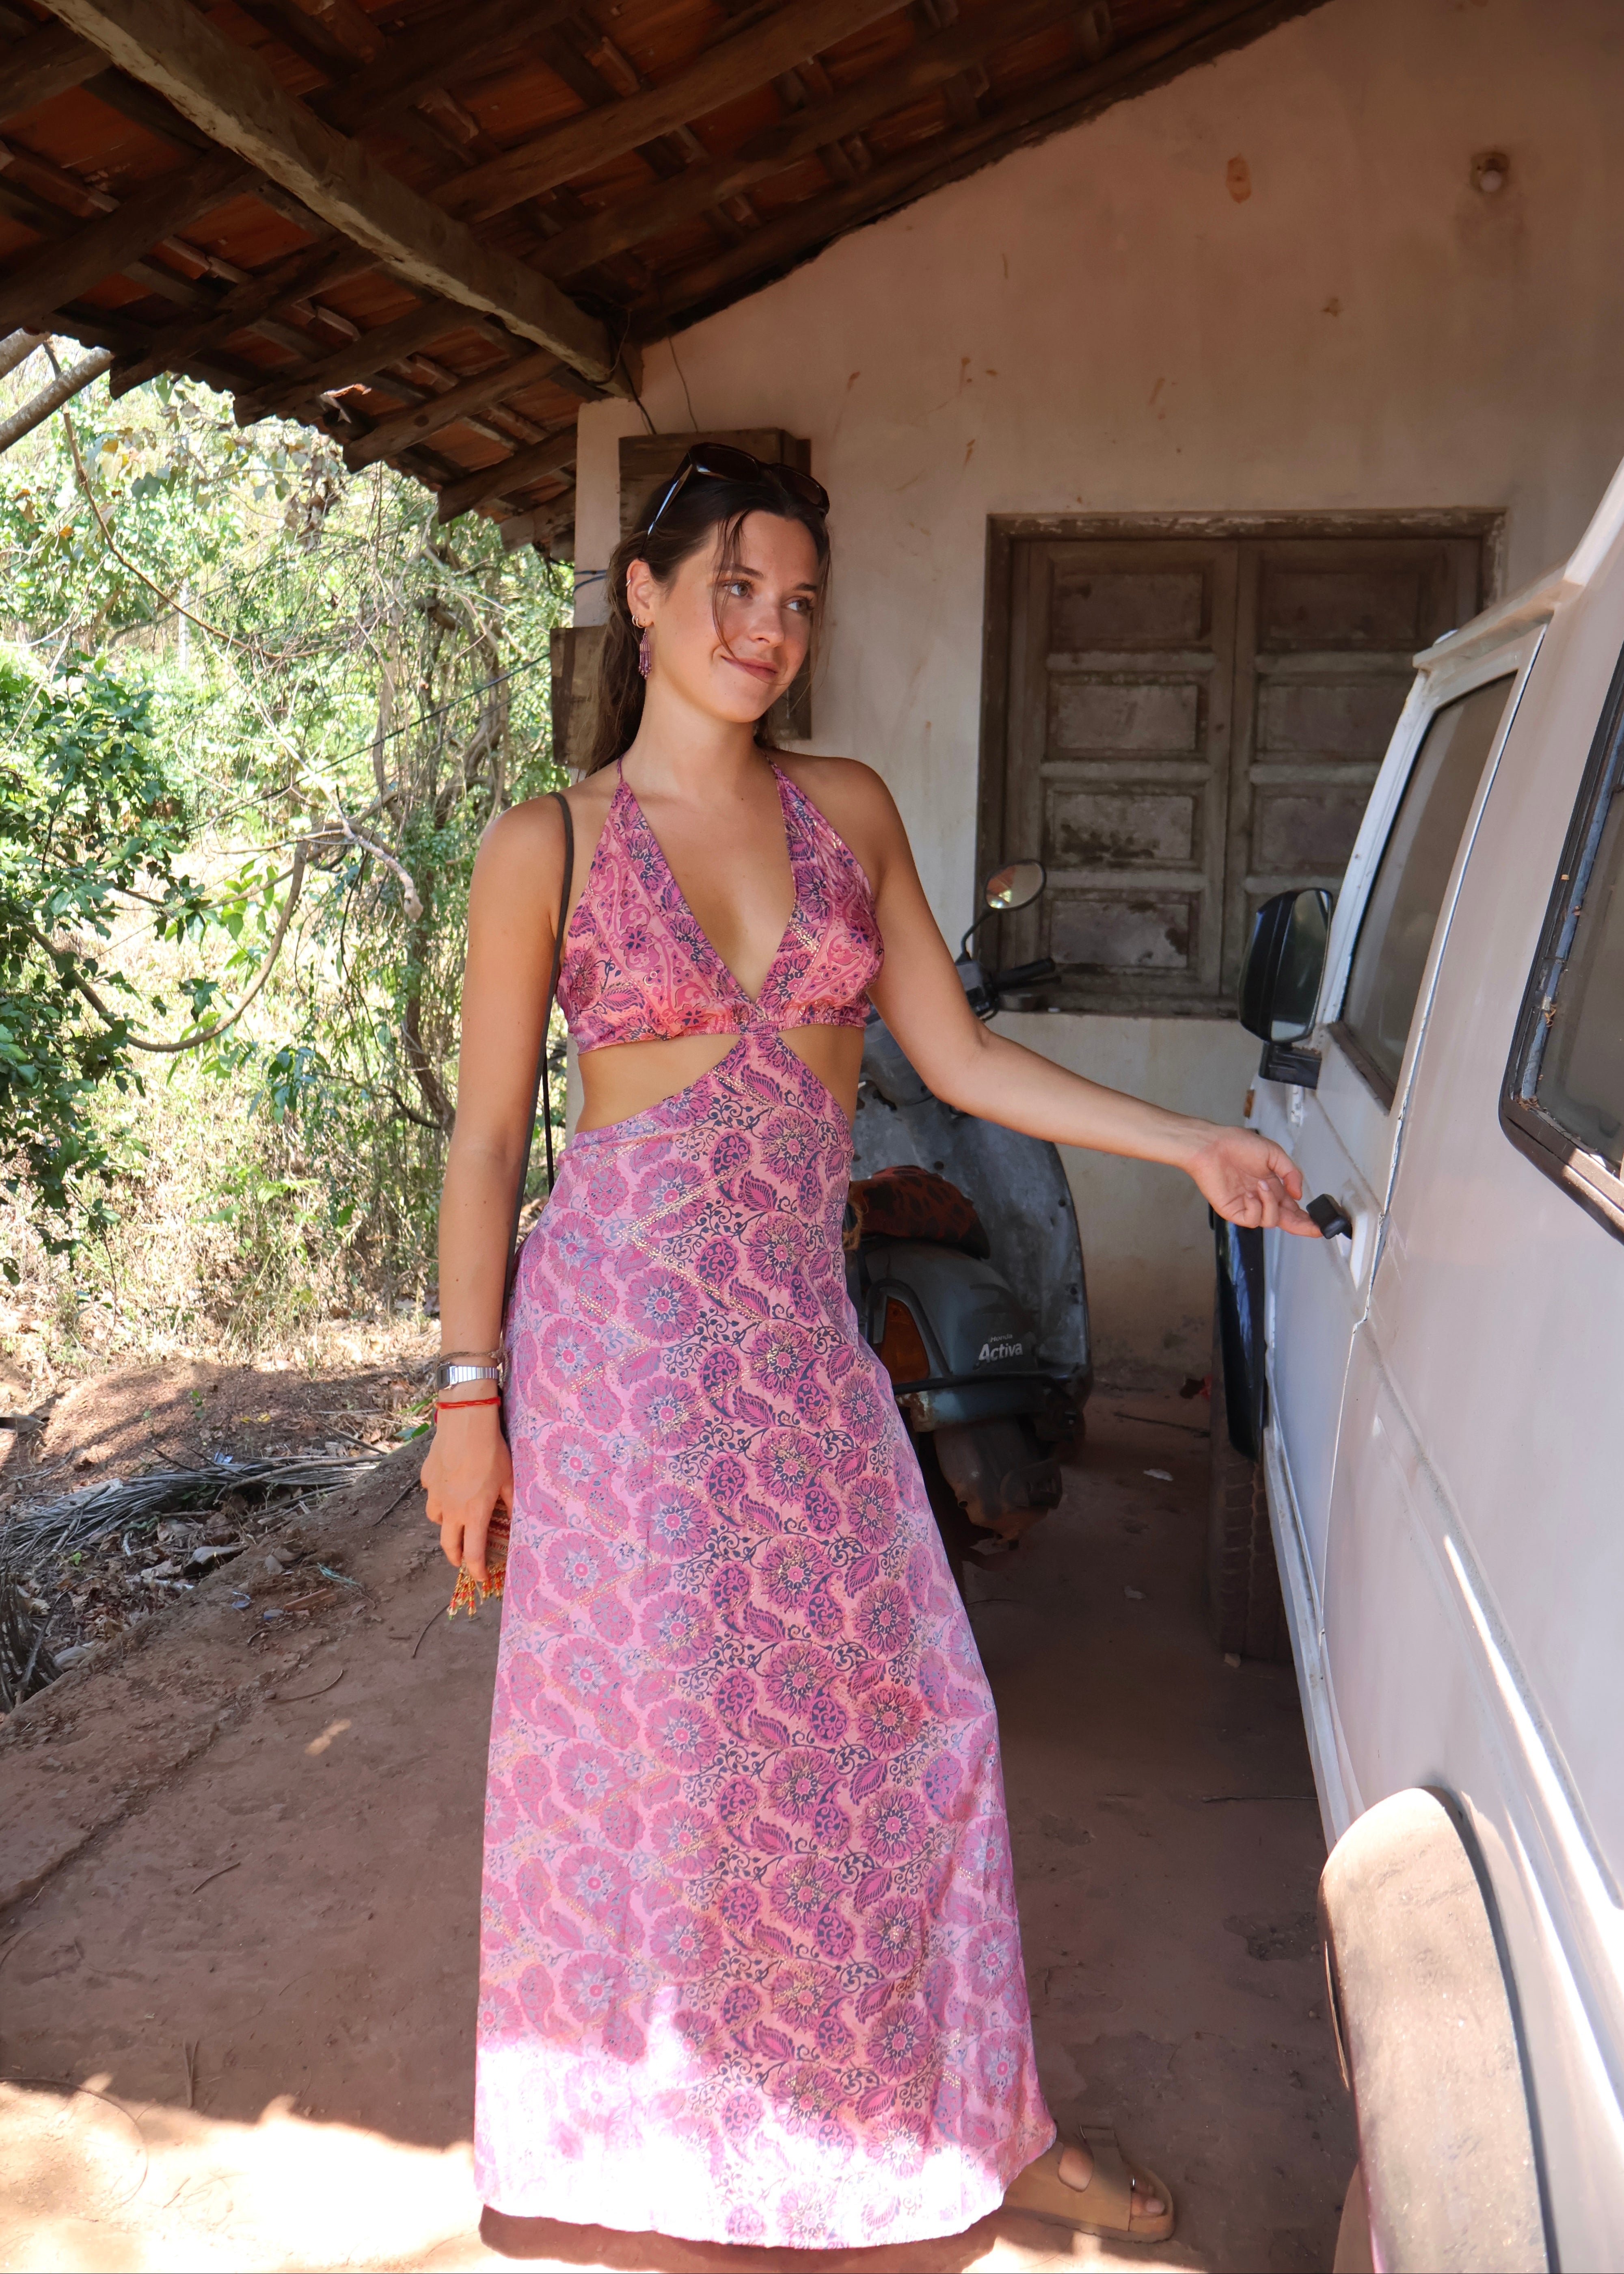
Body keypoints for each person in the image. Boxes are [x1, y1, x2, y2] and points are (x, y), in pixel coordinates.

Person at [422, 446, 1317, 2253]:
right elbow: (489, 1137)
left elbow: (960, 1058)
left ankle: (979, 2116)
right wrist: (466, 1396)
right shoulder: (550, 844)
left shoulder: (847, 810)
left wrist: (1186, 1143)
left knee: (916, 1716)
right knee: (671, 1748)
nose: (767, 629)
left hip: (796, 1337)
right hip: (620, 1349)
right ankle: (663, 2133)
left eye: (798, 601)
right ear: (647, 596)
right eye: (733, 588)